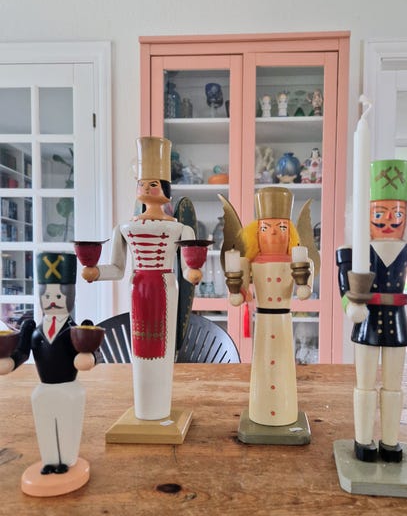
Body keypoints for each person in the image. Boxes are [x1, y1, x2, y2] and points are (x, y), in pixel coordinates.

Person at [336, 160, 407, 463]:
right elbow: (345, 290)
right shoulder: (354, 252)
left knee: (393, 386)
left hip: (397, 324)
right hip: (366, 323)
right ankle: (363, 441)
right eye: (379, 214)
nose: (388, 221)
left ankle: (390, 442)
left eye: (396, 214)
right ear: (364, 216)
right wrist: (351, 306)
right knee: (364, 385)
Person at [82, 137, 202, 422]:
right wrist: (95, 272)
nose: (147, 188)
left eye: (154, 184)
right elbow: (117, 268)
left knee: (163, 350)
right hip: (137, 287)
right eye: (142, 183)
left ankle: (160, 409)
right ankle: (145, 410)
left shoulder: (180, 229)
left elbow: (188, 267)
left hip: (166, 288)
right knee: (141, 349)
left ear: (166, 189)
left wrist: (193, 273)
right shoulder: (125, 228)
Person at [0, 252, 97, 493]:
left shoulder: (76, 331)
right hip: (43, 389)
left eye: (58, 296)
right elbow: (22, 352)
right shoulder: (32, 329)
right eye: (47, 296)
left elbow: (94, 351)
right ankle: (51, 461)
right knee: (45, 424)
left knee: (66, 424)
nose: (52, 301)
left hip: (69, 387)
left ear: (70, 296)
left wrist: (89, 358)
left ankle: (67, 460)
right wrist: (9, 363)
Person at [223, 187, 313, 442]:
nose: (273, 233)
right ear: (256, 234)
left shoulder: (300, 261)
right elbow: (238, 294)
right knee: (262, 367)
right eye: (265, 228)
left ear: (290, 233)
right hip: (263, 322)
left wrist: (303, 283)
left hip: (283, 322)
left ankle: (284, 413)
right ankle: (261, 412)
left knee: (283, 367)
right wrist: (236, 291)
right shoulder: (249, 263)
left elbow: (304, 291)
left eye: (281, 227)